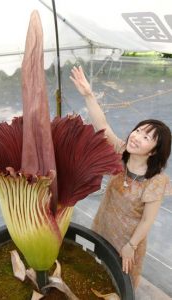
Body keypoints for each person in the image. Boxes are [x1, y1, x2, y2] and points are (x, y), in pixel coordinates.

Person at [70, 65, 171, 288]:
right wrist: (88, 94)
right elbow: (103, 126)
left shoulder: (156, 181)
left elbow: (147, 221)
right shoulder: (120, 152)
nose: (136, 137)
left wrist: (131, 246)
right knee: (97, 267)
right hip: (103, 224)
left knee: (120, 280)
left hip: (128, 238)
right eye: (138, 130)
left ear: (154, 151)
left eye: (146, 137)